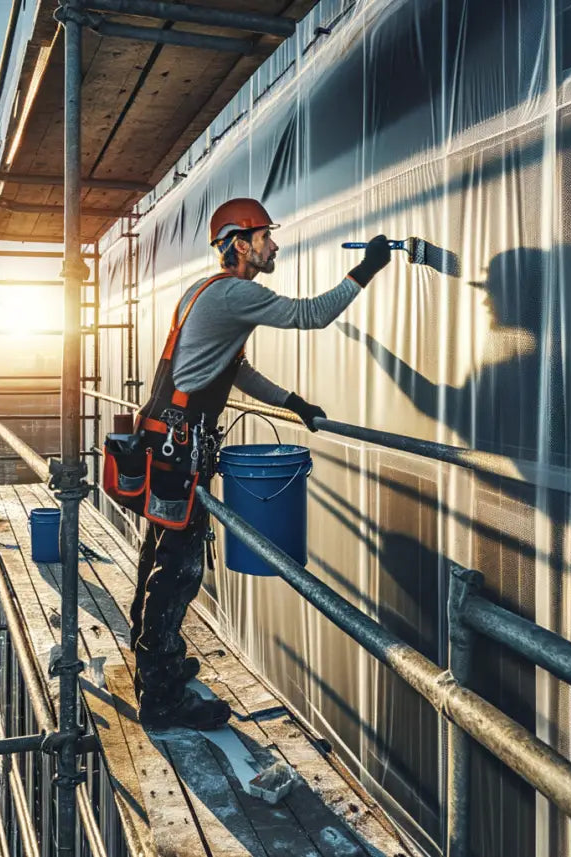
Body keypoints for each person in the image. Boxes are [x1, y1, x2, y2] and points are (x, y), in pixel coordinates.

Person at [129, 197, 393, 729]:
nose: (274, 245)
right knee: (178, 566)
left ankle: (156, 659)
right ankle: (161, 698)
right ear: (239, 244)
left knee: (160, 550)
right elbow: (311, 315)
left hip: (166, 441)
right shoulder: (235, 293)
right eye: (265, 236)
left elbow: (235, 370)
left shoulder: (205, 292)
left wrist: (292, 402)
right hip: (180, 449)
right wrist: (368, 268)